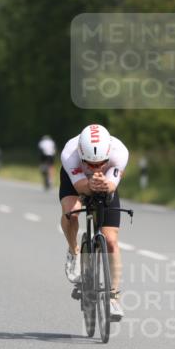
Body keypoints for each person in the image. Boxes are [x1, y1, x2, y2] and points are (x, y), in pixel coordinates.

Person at [59, 124, 129, 321]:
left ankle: (113, 297)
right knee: (72, 214)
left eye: (101, 163)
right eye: (89, 163)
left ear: (108, 155)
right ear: (81, 155)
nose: (95, 168)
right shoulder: (70, 154)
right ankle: (74, 252)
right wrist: (89, 184)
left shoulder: (119, 152)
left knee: (111, 240)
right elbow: (81, 186)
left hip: (106, 182)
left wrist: (106, 185)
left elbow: (111, 185)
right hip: (76, 181)